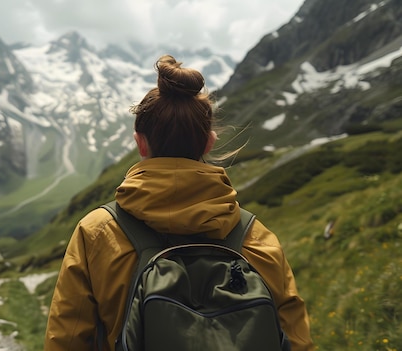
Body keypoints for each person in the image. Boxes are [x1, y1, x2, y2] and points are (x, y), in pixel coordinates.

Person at [44, 55, 315, 351]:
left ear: (140, 142)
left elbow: (67, 339)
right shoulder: (255, 235)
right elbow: (296, 339)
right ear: (209, 142)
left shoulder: (97, 232)